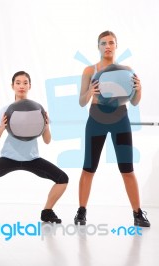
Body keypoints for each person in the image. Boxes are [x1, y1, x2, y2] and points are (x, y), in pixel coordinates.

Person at [74, 31, 150, 227]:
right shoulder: (89, 70)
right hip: (96, 118)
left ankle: (137, 214)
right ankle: (81, 212)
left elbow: (134, 102)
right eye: (103, 43)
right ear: (98, 47)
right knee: (88, 167)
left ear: (116, 46)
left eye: (111, 43)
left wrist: (139, 89)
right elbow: (82, 102)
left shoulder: (127, 70)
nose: (107, 46)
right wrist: (90, 91)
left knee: (127, 169)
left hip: (120, 119)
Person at [0, 71, 68, 223]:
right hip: (9, 158)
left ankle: (47, 211)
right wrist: (1, 127)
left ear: (30, 86)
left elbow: (47, 141)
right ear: (12, 86)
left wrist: (45, 126)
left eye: (25, 83)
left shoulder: (37, 109)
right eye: (18, 83)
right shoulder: (6, 110)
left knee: (62, 179)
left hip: (32, 158)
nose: (21, 86)